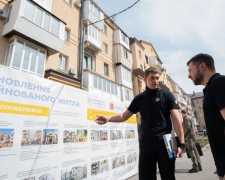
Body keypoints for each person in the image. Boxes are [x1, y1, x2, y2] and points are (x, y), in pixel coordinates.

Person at [95, 67, 185, 180]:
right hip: (146, 144)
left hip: (166, 144)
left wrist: (181, 144)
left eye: (157, 78)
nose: (155, 81)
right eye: (152, 78)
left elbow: (176, 120)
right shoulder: (139, 98)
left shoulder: (167, 95)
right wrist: (108, 118)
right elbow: (124, 116)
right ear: (145, 79)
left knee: (168, 177)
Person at [187, 53, 225, 180]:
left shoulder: (219, 83)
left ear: (202, 66)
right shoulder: (210, 89)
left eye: (190, 71)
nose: (188, 75)